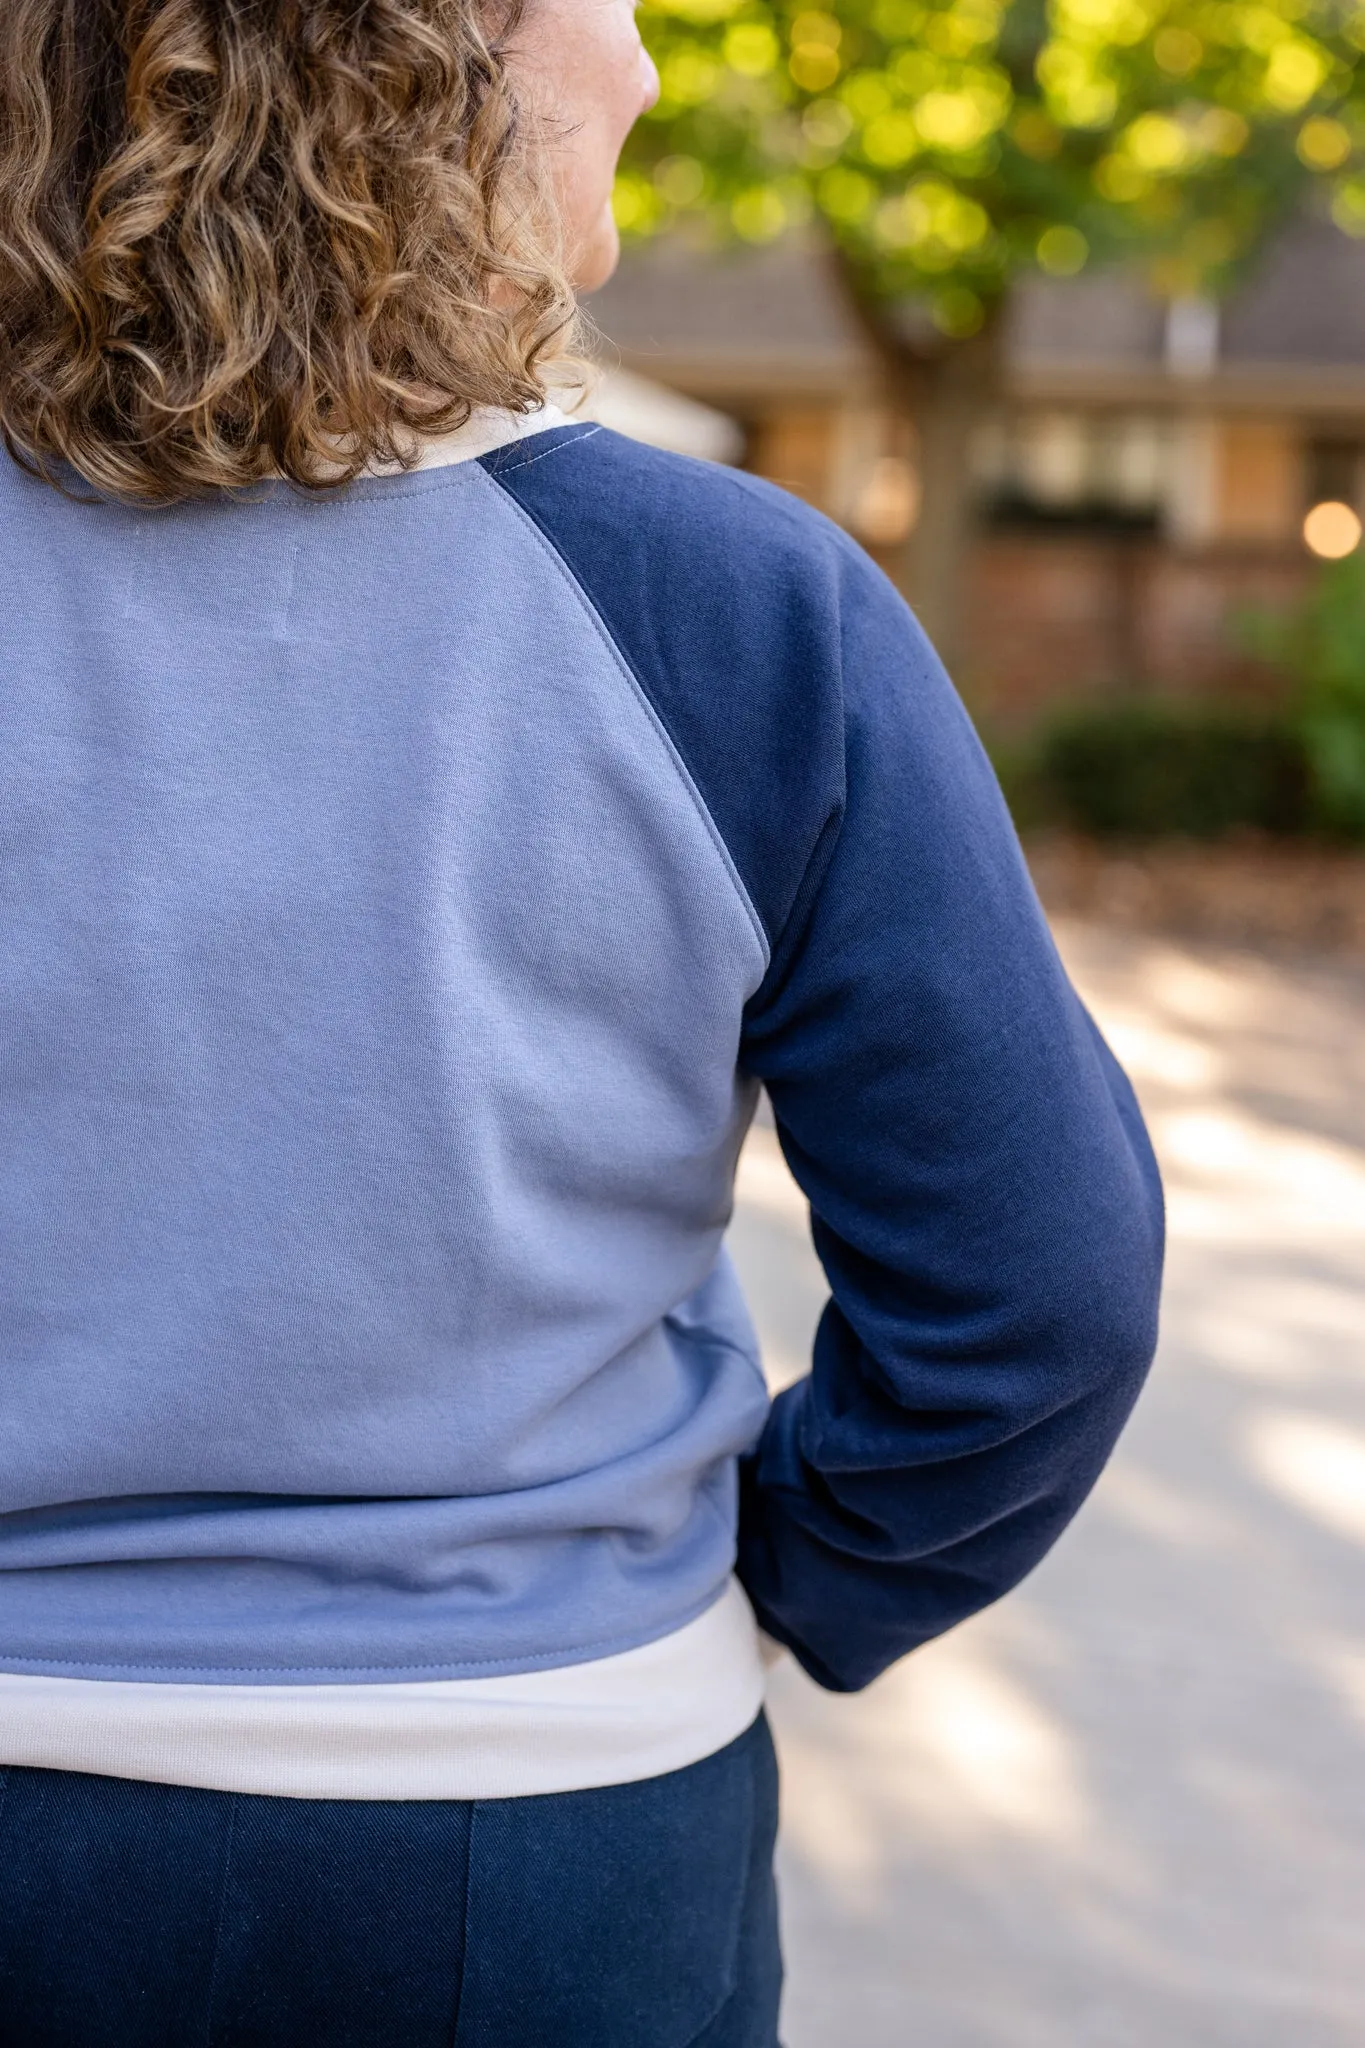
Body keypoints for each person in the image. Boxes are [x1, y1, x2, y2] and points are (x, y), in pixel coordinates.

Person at [0, 0, 1164, 2041]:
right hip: (537, 1825)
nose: (639, 65)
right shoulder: (743, 610)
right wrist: (782, 1575)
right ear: (425, 62)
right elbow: (1038, 1293)